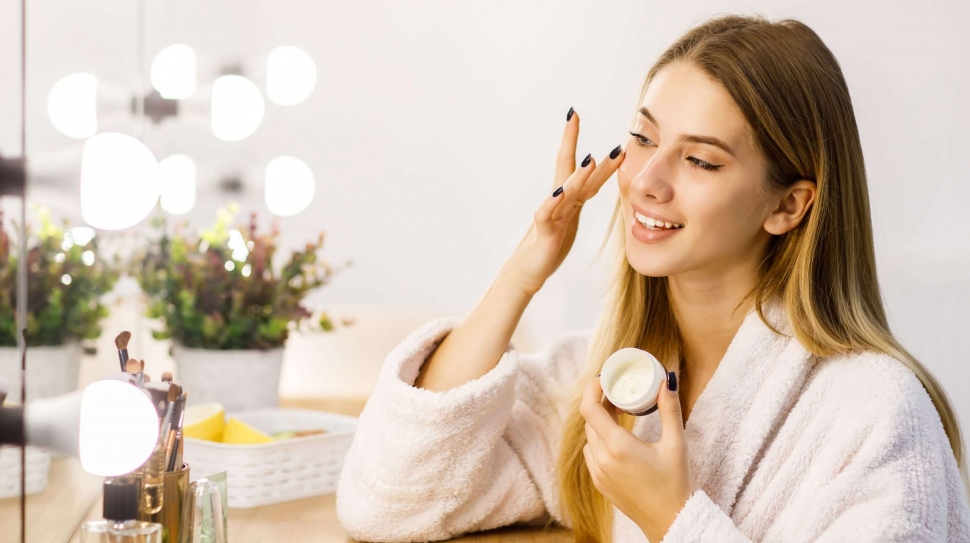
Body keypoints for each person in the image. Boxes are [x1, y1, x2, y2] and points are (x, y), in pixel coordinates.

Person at [335, 13, 970, 543]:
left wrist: (672, 517)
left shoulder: (875, 413)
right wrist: (526, 268)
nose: (646, 180)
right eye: (642, 137)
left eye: (699, 160)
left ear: (788, 205)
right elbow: (391, 499)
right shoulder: (608, 382)